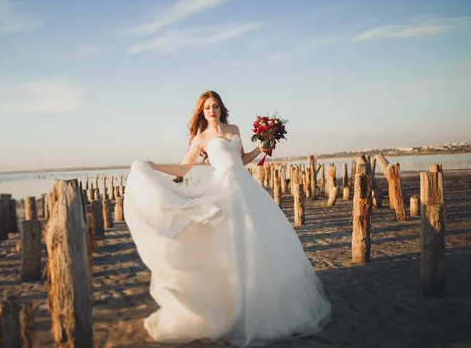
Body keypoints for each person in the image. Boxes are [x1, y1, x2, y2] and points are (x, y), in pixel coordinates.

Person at [123, 90, 331, 347]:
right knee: (229, 243)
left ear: (221, 109)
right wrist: (154, 166)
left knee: (259, 240)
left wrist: (260, 147)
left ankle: (261, 305)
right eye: (207, 107)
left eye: (216, 106)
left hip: (246, 188)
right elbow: (183, 168)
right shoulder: (201, 138)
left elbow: (241, 160)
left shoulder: (234, 128)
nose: (212, 110)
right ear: (202, 111)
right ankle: (232, 307)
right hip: (222, 191)